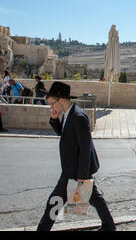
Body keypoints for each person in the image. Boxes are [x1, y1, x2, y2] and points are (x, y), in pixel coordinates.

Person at [37, 82, 116, 231]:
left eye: (52, 104)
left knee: (54, 203)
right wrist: (54, 119)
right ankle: (109, 226)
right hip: (71, 169)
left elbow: (86, 148)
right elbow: (64, 133)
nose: (51, 108)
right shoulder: (67, 114)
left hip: (75, 171)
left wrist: (82, 175)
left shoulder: (78, 116)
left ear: (61, 100)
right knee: (95, 198)